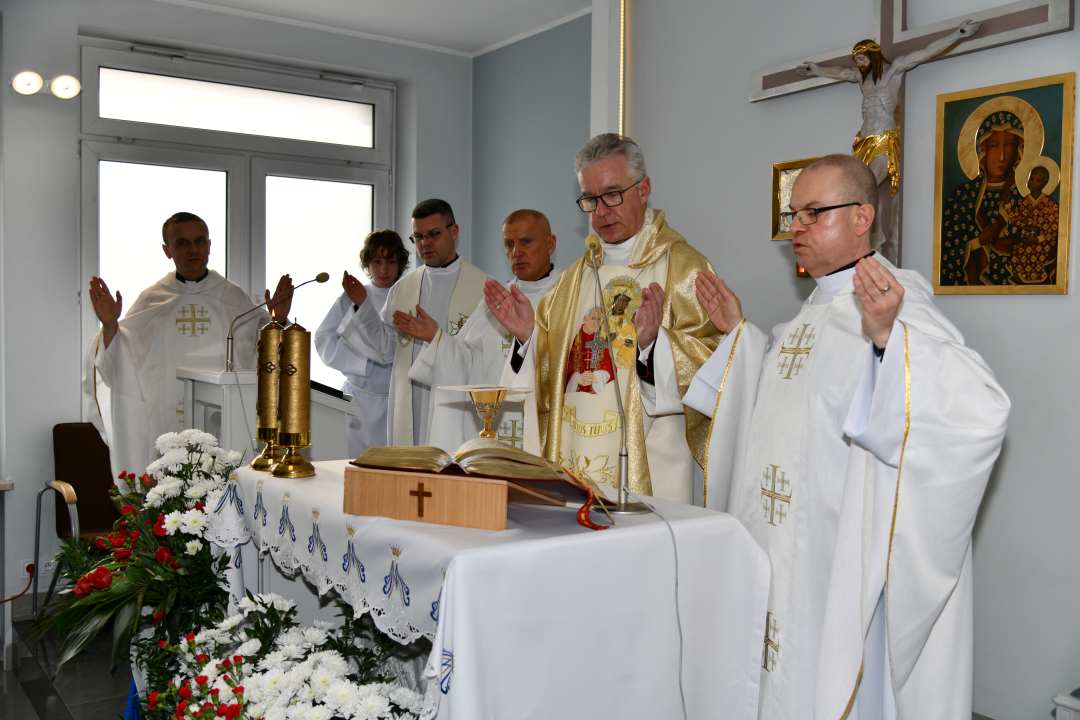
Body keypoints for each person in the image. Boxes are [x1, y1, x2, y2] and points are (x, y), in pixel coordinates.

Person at [683, 155, 1009, 718]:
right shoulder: (807, 318)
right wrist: (739, 337)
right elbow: (779, 408)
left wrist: (888, 344)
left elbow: (980, 410)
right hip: (781, 545)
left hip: (841, 558)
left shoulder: (900, 306)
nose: (797, 228)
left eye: (814, 212)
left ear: (862, 217)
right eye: (793, 214)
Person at [486, 134, 719, 503]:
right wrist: (529, 337)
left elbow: (715, 363)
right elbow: (551, 372)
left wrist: (652, 348)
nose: (601, 212)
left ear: (644, 190)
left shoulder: (684, 269)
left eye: (612, 195)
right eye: (590, 199)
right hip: (575, 460)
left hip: (651, 466)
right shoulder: (573, 280)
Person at [85, 211, 294, 481]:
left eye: (199, 241)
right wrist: (110, 326)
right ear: (167, 250)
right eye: (182, 243)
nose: (193, 250)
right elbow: (122, 355)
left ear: (209, 245)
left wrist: (279, 321)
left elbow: (265, 355)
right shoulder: (152, 300)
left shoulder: (233, 298)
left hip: (222, 419)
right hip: (166, 421)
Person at [797, 19, 980, 262]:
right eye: (857, 60)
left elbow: (925, 52)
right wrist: (817, 70)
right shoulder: (862, 79)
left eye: (862, 58)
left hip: (885, 138)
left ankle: (875, 238)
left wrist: (958, 34)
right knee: (854, 185)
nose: (860, 63)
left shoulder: (894, 70)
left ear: (873, 55)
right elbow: (841, 73)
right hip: (865, 140)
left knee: (867, 186)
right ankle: (869, 236)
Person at [404, 209, 560, 452]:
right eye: (509, 244)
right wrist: (436, 338)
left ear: (550, 244)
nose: (516, 252)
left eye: (526, 242)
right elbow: (465, 360)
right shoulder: (496, 299)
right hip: (494, 431)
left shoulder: (567, 296)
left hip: (545, 431)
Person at [340, 199, 488, 446]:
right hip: (411, 402)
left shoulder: (483, 288)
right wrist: (363, 306)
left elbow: (488, 359)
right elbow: (385, 350)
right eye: (418, 237)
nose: (425, 243)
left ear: (454, 231)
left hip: (456, 405)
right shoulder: (403, 289)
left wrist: (437, 338)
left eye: (434, 234)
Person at [315, 229, 409, 457]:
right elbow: (324, 338)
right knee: (354, 461)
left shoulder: (407, 295)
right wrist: (360, 364)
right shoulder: (353, 296)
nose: (384, 270)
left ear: (400, 264)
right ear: (367, 263)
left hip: (397, 398)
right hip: (358, 398)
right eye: (377, 262)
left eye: (390, 262)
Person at [1008, 164, 1060, 284]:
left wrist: (1037, 239)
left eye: (1037, 180)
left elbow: (1052, 229)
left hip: (1042, 243)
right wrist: (1008, 206)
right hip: (1025, 240)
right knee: (1018, 250)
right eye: (1031, 179)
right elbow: (1017, 219)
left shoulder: (1050, 204)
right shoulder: (1025, 201)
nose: (1032, 183)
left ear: (1044, 183)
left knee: (1037, 253)